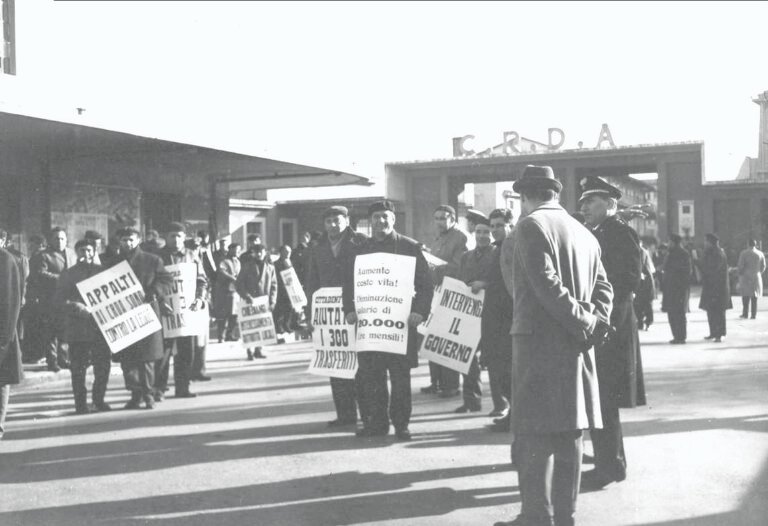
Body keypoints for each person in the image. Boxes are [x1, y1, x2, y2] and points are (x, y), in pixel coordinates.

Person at [495, 165, 613, 526]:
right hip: (577, 350)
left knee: (532, 436)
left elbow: (545, 285)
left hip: (538, 348)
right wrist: (594, 322)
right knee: (569, 436)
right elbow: (604, 288)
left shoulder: (530, 226)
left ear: (525, 195)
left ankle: (536, 517)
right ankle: (566, 517)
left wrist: (584, 320)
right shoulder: (584, 232)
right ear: (555, 193)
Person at [343, 200, 433, 441]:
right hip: (371, 326)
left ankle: (401, 424)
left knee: (400, 379)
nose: (380, 221)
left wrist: (419, 312)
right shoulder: (360, 249)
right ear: (370, 222)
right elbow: (348, 284)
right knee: (372, 379)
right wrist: (349, 309)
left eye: (385, 217)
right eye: (376, 218)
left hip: (400, 326)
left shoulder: (409, 247)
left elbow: (426, 286)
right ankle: (377, 423)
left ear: (393, 220)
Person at [579, 175, 645, 491]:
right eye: (584, 202)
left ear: (610, 204)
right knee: (602, 399)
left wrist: (600, 319)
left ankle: (610, 466)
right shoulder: (597, 233)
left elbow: (629, 282)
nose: (586, 207)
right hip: (604, 327)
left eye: (591, 201)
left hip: (611, 329)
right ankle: (611, 461)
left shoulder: (621, 234)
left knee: (605, 399)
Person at [305, 205, 369, 427]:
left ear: (346, 220)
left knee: (361, 366)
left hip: (356, 310)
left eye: (337, 220)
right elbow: (312, 282)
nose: (333, 225)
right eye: (329, 221)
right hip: (328, 315)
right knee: (337, 364)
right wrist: (310, 315)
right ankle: (345, 415)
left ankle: (368, 414)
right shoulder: (318, 247)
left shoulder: (361, 242)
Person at [113, 227, 173, 410]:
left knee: (147, 359)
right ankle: (135, 394)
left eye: (131, 239)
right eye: (124, 240)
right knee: (127, 360)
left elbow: (166, 280)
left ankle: (148, 394)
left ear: (138, 240)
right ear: (119, 241)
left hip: (146, 313)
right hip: (122, 316)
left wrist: (154, 292)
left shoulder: (152, 260)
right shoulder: (112, 262)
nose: (128, 243)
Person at [55, 239, 112, 414]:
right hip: (78, 328)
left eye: (89, 250)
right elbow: (59, 299)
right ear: (76, 252)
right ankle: (80, 404)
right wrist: (76, 307)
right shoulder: (68, 274)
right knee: (78, 368)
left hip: (101, 328)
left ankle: (99, 400)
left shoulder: (103, 272)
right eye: (81, 251)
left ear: (94, 252)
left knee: (103, 366)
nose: (85, 254)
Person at [155, 222, 208, 400]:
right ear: (166, 237)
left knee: (187, 352)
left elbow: (202, 280)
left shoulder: (192, 256)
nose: (176, 239)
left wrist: (200, 298)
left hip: (187, 312)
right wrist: (161, 301)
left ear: (184, 237)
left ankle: (182, 387)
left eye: (179, 235)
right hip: (166, 311)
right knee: (163, 353)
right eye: (172, 235)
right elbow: (153, 283)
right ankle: (159, 388)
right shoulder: (158, 257)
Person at [423, 204, 468, 398]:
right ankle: (436, 382)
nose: (440, 222)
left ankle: (450, 385)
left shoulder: (461, 237)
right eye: (437, 218)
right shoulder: (439, 237)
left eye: (443, 218)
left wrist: (434, 266)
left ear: (453, 218)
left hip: (451, 293)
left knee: (447, 341)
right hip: (436, 292)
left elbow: (460, 266)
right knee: (433, 336)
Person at [454, 216, 494, 414]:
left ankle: (501, 404)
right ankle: (471, 400)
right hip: (469, 314)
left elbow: (501, 281)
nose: (482, 236)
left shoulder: (497, 254)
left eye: (486, 232)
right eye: (478, 232)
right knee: (466, 358)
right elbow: (461, 280)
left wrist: (484, 284)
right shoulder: (466, 256)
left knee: (494, 361)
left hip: (491, 314)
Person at [28, 227, 77, 372]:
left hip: (67, 299)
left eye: (62, 238)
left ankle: (63, 359)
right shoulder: (43, 256)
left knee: (65, 330)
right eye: (56, 238)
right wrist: (62, 279)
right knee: (51, 332)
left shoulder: (72, 254)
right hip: (50, 300)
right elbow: (40, 274)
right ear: (50, 240)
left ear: (66, 240)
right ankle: (52, 361)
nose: (60, 241)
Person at [484, 208, 515, 432]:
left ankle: (516, 414)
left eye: (499, 225)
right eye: (492, 226)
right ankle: (513, 412)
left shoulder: (512, 248)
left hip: (509, 319)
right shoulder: (497, 249)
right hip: (495, 319)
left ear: (510, 226)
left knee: (508, 371)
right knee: (499, 370)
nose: (494, 230)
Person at [236, 243, 277, 360]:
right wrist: (246, 295)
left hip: (264, 301)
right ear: (253, 253)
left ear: (265, 253)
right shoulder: (246, 266)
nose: (259, 254)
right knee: (250, 327)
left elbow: (274, 285)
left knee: (262, 326)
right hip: (250, 301)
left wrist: (273, 301)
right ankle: (249, 350)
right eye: (256, 252)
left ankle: (258, 350)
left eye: (261, 252)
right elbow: (239, 284)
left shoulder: (270, 268)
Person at [0, 245, 23, 440]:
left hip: (1, 332)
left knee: (1, 380)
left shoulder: (4, 260)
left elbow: (8, 300)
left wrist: (4, 337)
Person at [698, 233, 732, 342]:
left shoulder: (718, 253)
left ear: (711, 242)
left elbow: (712, 269)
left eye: (706, 241)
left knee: (718, 312)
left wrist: (699, 264)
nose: (705, 243)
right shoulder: (711, 252)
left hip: (718, 288)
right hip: (712, 287)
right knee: (711, 311)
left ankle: (720, 334)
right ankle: (713, 332)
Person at [662, 234, 692, 344]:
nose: (668, 244)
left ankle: (681, 337)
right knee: (672, 313)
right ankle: (676, 336)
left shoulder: (684, 254)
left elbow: (687, 272)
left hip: (679, 289)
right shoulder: (670, 254)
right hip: (671, 288)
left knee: (679, 314)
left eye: (669, 242)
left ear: (674, 242)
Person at [213, 243, 241, 343]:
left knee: (234, 314)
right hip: (224, 291)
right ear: (230, 249)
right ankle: (221, 336)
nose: (238, 252)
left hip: (235, 291)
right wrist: (233, 278)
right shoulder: (224, 260)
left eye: (239, 250)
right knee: (223, 314)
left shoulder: (237, 261)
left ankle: (230, 334)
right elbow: (221, 271)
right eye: (236, 250)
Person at [273, 245, 300, 336]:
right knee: (279, 310)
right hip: (281, 290)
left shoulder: (291, 262)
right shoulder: (276, 264)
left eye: (289, 251)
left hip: (291, 289)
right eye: (286, 251)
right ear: (281, 252)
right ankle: (278, 327)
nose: (288, 253)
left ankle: (286, 325)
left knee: (290, 308)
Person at [737, 239, 766, 319]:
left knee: (745, 296)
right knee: (754, 297)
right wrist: (759, 272)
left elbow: (741, 266)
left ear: (748, 244)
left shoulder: (744, 253)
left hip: (746, 277)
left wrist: (739, 274)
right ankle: (753, 314)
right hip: (757, 276)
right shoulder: (760, 253)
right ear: (755, 244)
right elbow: (763, 266)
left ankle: (745, 313)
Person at [634, 240, 656, 331]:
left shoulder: (641, 251)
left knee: (646, 304)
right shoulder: (639, 251)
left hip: (645, 282)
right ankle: (641, 322)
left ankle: (647, 322)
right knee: (639, 304)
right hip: (641, 281)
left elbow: (640, 265)